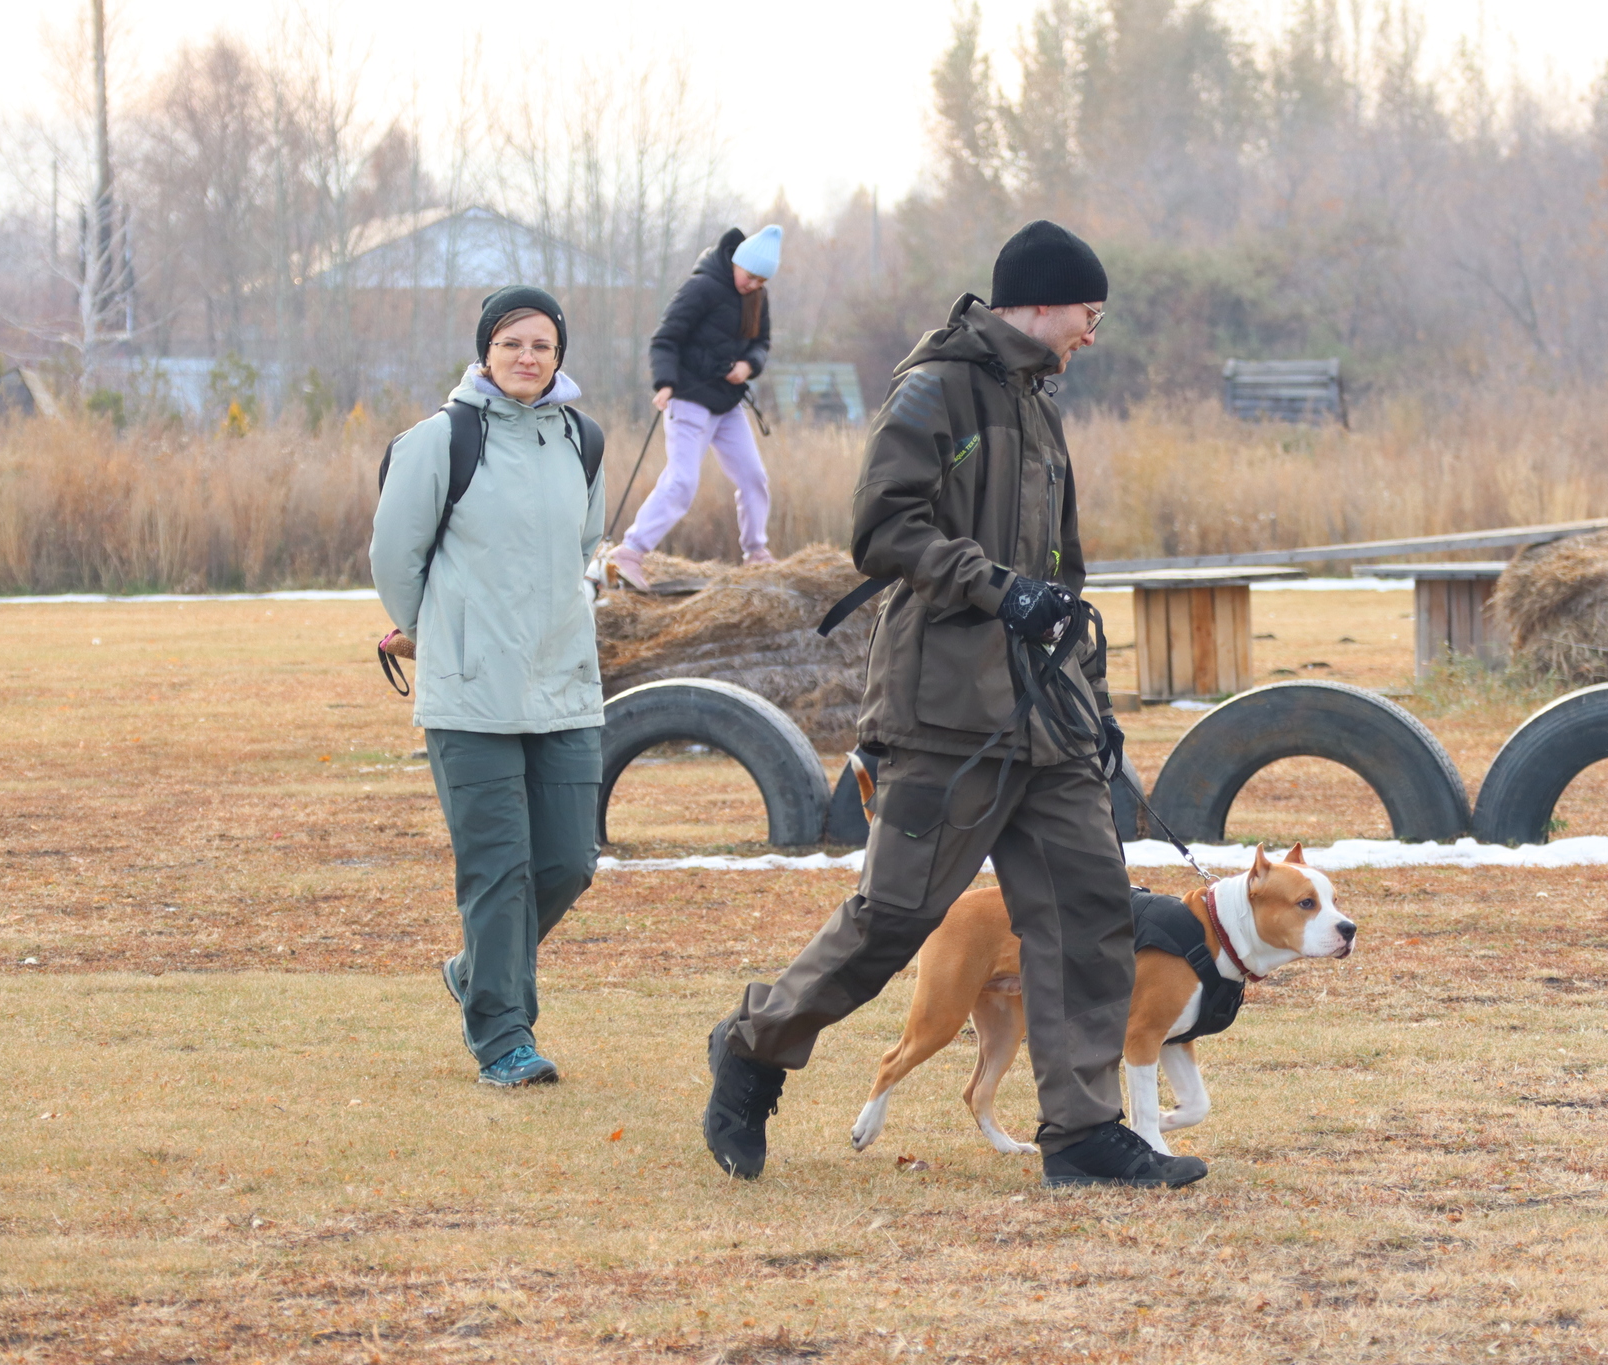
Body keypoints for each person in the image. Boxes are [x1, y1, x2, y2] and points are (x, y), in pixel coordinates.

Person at [699, 222, 1210, 1188]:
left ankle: (1084, 1134)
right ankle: (754, 1045)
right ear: (1043, 301)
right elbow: (882, 528)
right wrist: (994, 586)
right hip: (945, 712)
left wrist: (1088, 700)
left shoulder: (1041, 407)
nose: (1091, 335)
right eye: (1088, 315)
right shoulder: (937, 388)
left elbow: (1064, 574)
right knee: (893, 918)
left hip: (1045, 718)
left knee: (1089, 912)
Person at [370, 286, 606, 1088]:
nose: (528, 357)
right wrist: (441, 633)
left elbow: (584, 545)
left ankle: (477, 968)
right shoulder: (441, 439)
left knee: (570, 860)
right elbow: (394, 559)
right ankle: (505, 1037)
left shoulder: (583, 439)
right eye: (512, 343)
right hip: (469, 691)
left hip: (563, 681)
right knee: (499, 869)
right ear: (485, 352)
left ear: (559, 355)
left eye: (542, 344)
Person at [605, 225, 781, 590]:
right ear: (737, 263)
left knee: (753, 477)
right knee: (682, 480)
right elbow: (665, 338)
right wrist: (665, 383)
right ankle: (629, 553)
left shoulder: (757, 296)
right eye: (750, 276)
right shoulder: (702, 287)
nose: (753, 285)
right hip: (688, 398)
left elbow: (761, 342)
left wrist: (749, 366)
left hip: (728, 404)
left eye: (761, 280)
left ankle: (756, 554)